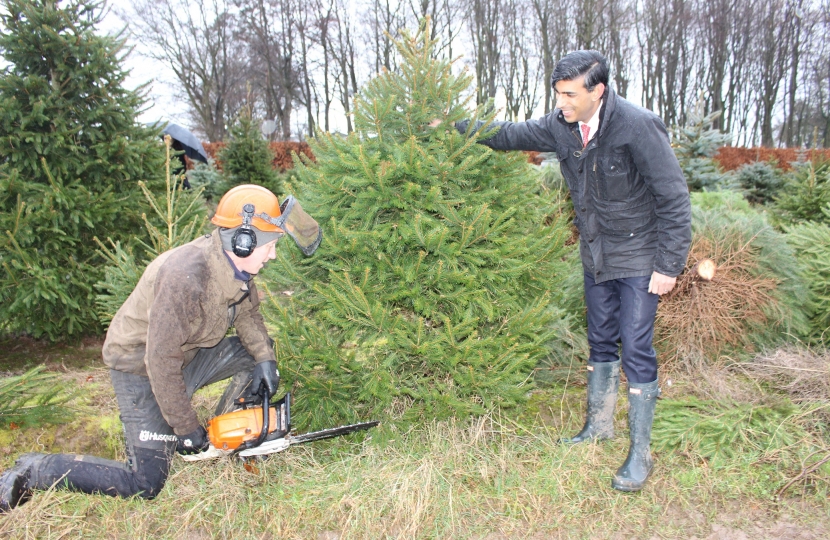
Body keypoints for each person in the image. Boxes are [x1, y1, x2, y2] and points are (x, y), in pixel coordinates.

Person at [439, 50, 691, 491]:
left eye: (570, 94)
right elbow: (509, 134)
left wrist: (669, 264)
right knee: (600, 339)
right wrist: (454, 128)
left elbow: (673, 198)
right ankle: (598, 426)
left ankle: (640, 453)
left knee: (635, 347)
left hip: (639, 255)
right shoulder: (561, 125)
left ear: (599, 90)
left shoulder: (637, 125)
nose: (562, 103)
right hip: (596, 255)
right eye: (558, 94)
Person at [0, 184, 322, 511]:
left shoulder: (236, 268)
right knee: (146, 483)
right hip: (140, 368)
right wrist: (185, 428)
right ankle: (35, 469)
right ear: (243, 240)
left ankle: (228, 438)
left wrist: (266, 360)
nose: (273, 255)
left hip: (187, 356)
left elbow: (248, 313)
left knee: (253, 354)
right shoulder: (185, 276)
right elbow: (160, 360)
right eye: (270, 245)